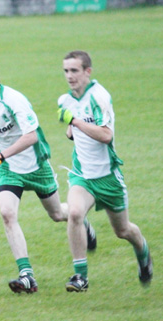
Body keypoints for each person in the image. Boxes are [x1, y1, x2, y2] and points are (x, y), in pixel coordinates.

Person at [0, 60, 97, 294]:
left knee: (58, 214)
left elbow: (31, 137)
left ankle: (80, 221)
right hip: (9, 168)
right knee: (7, 213)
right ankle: (26, 275)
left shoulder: (14, 101)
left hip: (36, 165)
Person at [58, 50, 152, 292]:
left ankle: (143, 253)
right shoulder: (65, 100)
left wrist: (76, 121)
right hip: (82, 175)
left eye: (75, 71)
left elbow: (106, 135)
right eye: (66, 71)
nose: (70, 76)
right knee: (76, 213)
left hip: (108, 178)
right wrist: (71, 126)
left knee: (123, 231)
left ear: (87, 71)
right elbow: (71, 133)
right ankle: (80, 277)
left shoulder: (100, 97)